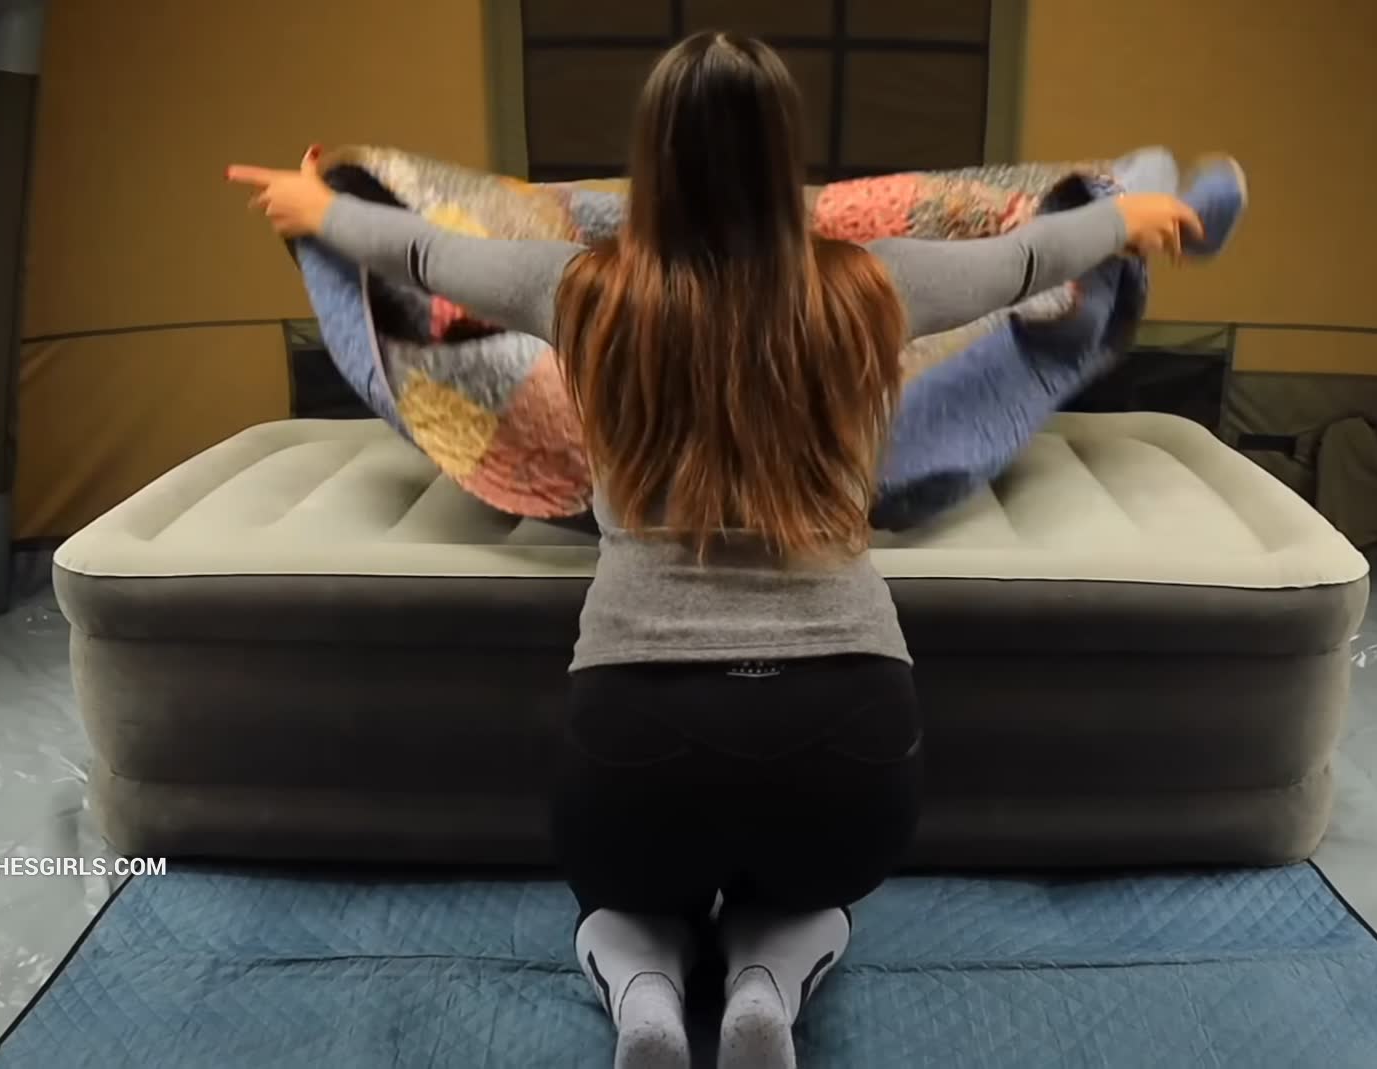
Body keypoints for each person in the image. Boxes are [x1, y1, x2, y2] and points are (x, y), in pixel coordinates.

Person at [229, 31, 1216, 1069]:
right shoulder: (872, 284)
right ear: (784, 156)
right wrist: (1126, 218)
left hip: (637, 753)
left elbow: (424, 255)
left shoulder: (581, 289)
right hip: (850, 754)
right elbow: (1024, 261)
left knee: (623, 895)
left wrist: (317, 211)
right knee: (805, 892)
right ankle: (765, 983)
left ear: (652, 160)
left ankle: (648, 993)